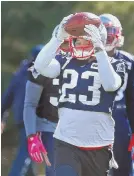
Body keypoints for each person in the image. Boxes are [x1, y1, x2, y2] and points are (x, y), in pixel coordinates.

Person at [33, 12, 126, 176]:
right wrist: (56, 39)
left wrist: (99, 49)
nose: (80, 44)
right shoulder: (65, 61)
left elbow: (111, 85)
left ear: (98, 40)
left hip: (99, 146)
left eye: (86, 40)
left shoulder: (114, 64)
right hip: (66, 142)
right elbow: (40, 66)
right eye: (78, 40)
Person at [23, 27, 70, 176]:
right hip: (50, 126)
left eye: (74, 42)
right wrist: (31, 136)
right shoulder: (44, 66)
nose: (69, 48)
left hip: (78, 129)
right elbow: (30, 104)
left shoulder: (88, 65)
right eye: (64, 43)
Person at [100, 13, 134, 176]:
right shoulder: (85, 59)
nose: (107, 37)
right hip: (90, 118)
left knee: (122, 169)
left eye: (110, 32)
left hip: (118, 119)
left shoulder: (129, 61)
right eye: (103, 32)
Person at [1, 45, 43, 176]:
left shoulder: (20, 73)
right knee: (27, 152)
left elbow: (7, 98)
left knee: (28, 151)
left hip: (21, 119)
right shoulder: (42, 74)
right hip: (35, 119)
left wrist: (2, 116)